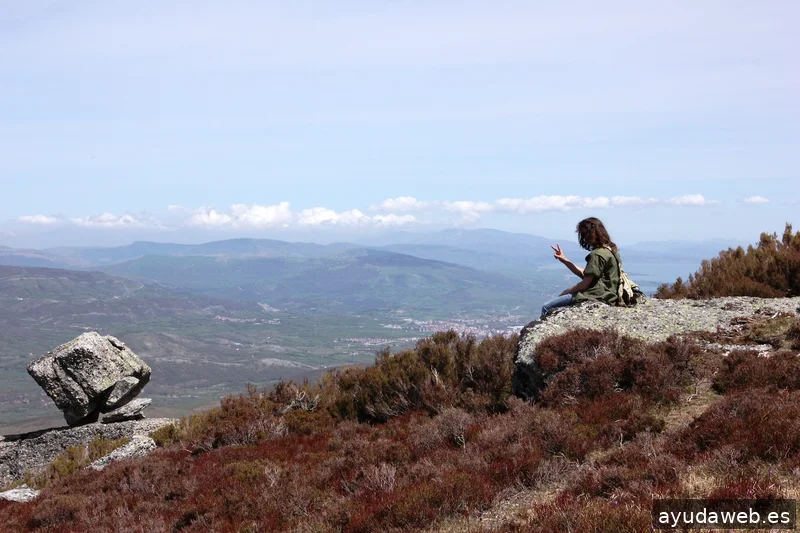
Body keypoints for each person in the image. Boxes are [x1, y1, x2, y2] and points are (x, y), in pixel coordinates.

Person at [540, 217, 621, 318]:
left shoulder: (597, 254)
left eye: (584, 234)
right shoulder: (610, 250)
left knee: (547, 307)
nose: (583, 238)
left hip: (598, 295)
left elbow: (585, 284)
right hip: (610, 294)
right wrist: (565, 260)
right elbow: (588, 275)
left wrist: (566, 292)